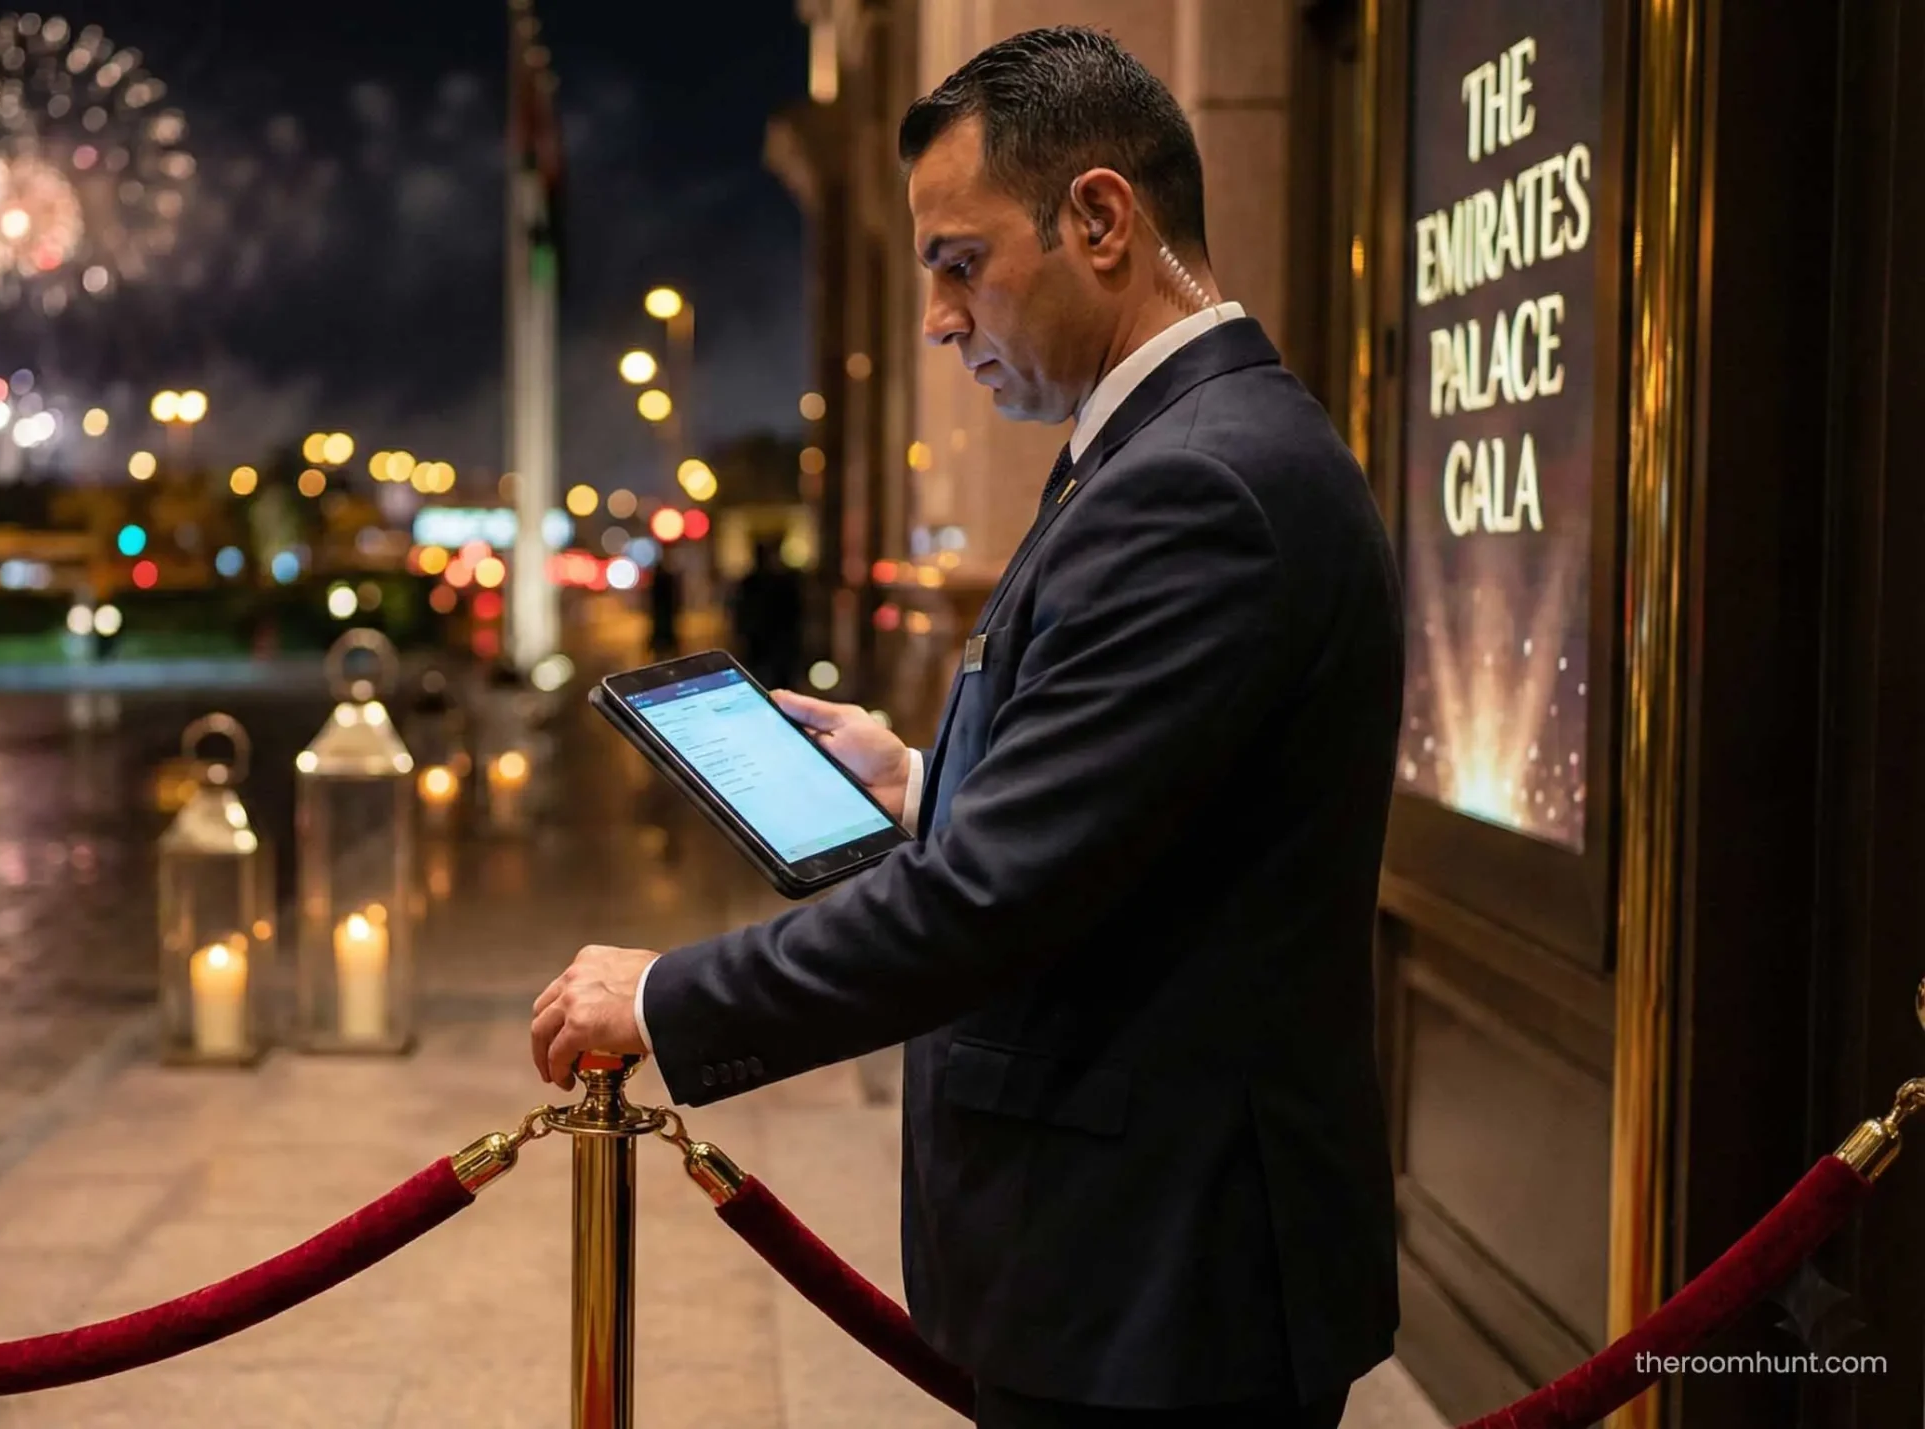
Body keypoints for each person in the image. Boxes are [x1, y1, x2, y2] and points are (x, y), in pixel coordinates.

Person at [529, 27, 1400, 1429]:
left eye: (958, 262)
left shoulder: (1196, 485)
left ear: (1100, 220)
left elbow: (988, 901)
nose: (938, 318)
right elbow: (1149, 816)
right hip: (1140, 1259)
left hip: (1163, 1281)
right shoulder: (1175, 447)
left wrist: (664, 996)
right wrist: (922, 780)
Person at [726, 537, 803, 689]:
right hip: (761, 641)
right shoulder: (751, 583)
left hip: (778, 641)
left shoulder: (784, 581)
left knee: (780, 681)